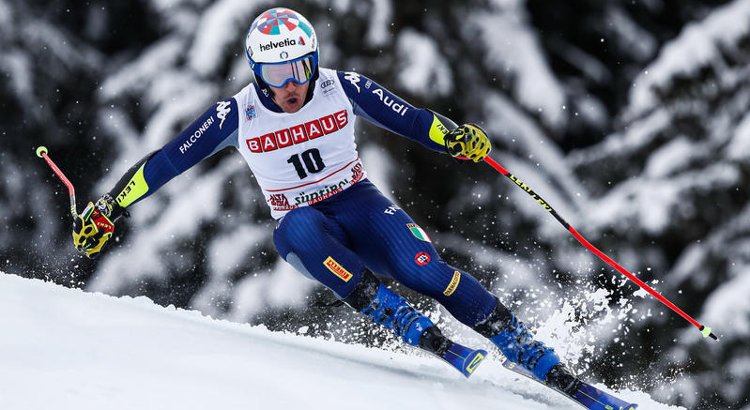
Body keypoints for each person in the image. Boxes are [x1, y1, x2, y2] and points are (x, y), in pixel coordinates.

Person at [73, 7, 577, 391]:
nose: (291, 86)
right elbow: (165, 162)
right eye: (275, 75)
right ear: (255, 72)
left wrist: (455, 138)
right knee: (297, 227)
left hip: (358, 203)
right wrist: (110, 206)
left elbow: (413, 120)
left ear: (314, 61)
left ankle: (520, 344)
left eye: (299, 69)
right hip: (309, 231)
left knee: (426, 271)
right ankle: (392, 313)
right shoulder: (237, 114)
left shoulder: (343, 88)